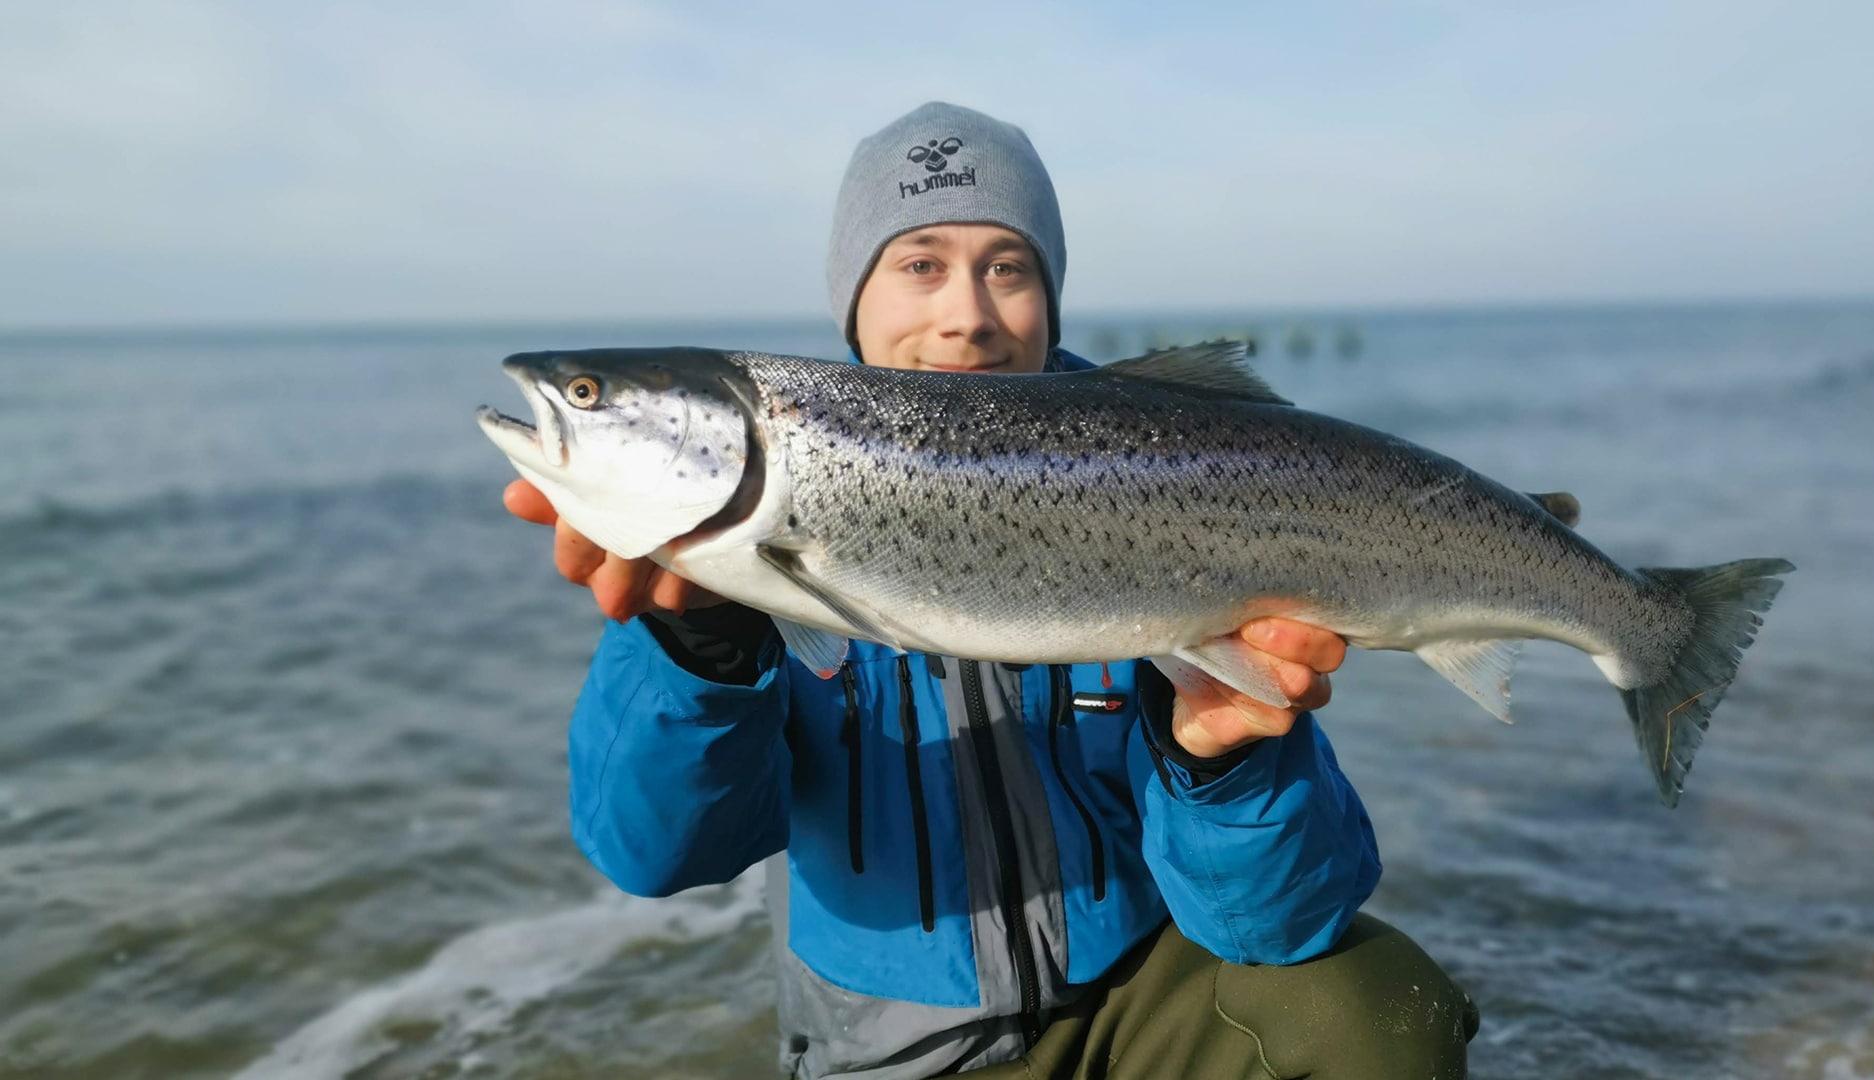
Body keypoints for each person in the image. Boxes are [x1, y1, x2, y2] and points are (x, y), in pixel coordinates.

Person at [504, 102, 1476, 1079]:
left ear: (1050, 297)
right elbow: (657, 855)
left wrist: (1224, 758)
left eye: (1007, 267)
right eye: (920, 264)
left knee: (1378, 1012)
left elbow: (1284, 922)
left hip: (1139, 999)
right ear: (855, 299)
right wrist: (699, 650)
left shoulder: (1158, 485)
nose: (967, 314)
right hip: (892, 1054)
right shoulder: (723, 558)